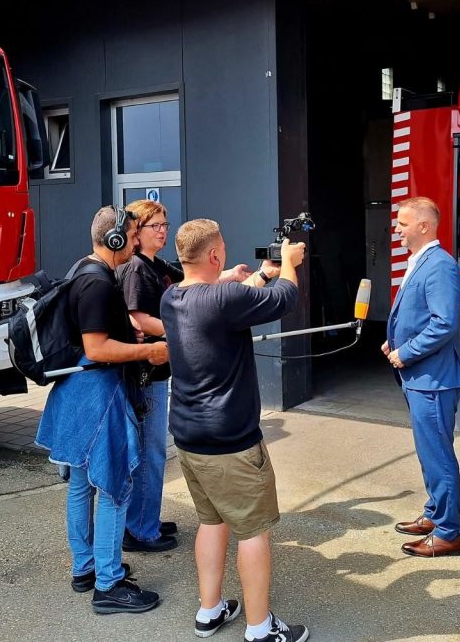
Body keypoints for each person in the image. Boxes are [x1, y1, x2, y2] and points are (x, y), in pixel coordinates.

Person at [161, 219, 309, 642]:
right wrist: (288, 262)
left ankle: (209, 611)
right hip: (232, 444)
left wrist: (259, 274)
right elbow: (285, 297)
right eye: (222, 247)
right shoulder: (224, 298)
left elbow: (221, 299)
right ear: (214, 255)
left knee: (211, 523)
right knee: (253, 532)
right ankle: (260, 629)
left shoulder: (172, 297)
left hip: (190, 438)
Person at [35, 206, 169, 614]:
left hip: (76, 391)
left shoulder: (83, 269)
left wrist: (129, 336)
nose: (136, 241)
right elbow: (97, 348)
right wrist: (147, 351)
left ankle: (86, 568)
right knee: (114, 486)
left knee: (80, 484)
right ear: (115, 238)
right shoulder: (98, 284)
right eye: (133, 235)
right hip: (98, 394)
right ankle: (109, 585)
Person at [116, 199, 257, 553]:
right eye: (155, 226)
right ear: (137, 232)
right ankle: (141, 529)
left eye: (165, 224)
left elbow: (191, 280)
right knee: (150, 452)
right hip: (147, 373)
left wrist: (231, 275)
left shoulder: (157, 264)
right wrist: (181, 330)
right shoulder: (137, 269)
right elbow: (138, 317)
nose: (162, 231)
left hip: (161, 370)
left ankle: (146, 518)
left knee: (154, 451)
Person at [383, 196, 460, 558]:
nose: (397, 229)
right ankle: (435, 514)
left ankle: (448, 533)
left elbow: (444, 323)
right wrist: (393, 342)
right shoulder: (421, 261)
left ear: (424, 226)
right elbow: (417, 315)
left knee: (438, 456)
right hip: (422, 377)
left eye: (402, 223)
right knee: (430, 452)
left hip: (434, 379)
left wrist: (406, 352)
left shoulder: (440, 265)